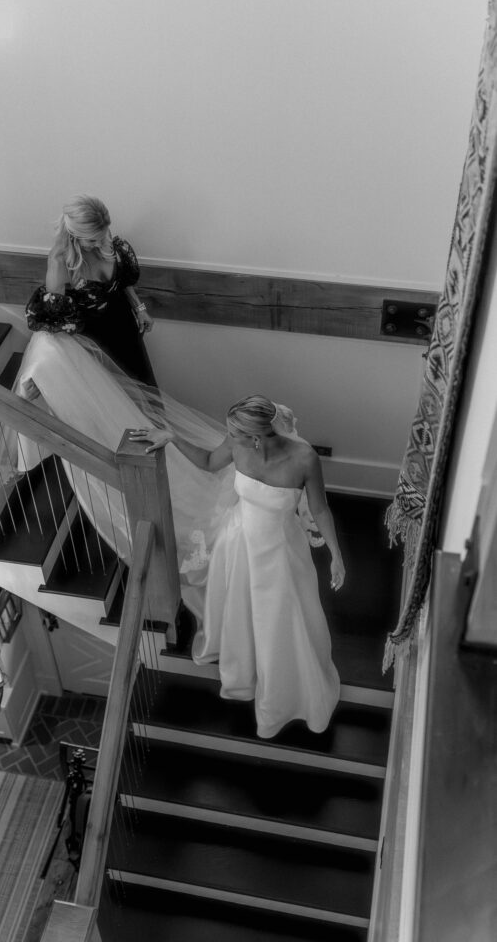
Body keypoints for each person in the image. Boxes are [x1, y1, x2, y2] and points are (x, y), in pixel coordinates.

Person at [130, 395, 344, 738]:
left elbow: (319, 509)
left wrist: (336, 554)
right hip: (239, 543)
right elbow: (208, 462)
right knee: (242, 612)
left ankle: (282, 695)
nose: (227, 434)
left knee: (280, 621)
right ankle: (243, 671)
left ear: (257, 437)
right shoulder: (236, 444)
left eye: (234, 431)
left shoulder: (304, 458)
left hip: (280, 553)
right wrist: (171, 438)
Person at [25, 195, 157, 386]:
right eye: (92, 241)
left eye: (102, 236)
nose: (100, 243)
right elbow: (55, 324)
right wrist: (45, 370)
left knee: (143, 382)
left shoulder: (102, 236)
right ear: (74, 235)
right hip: (95, 337)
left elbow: (122, 279)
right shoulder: (59, 261)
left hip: (124, 321)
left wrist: (140, 308)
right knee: (115, 392)